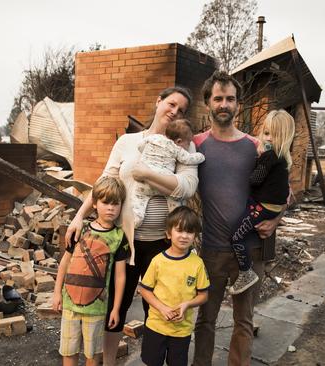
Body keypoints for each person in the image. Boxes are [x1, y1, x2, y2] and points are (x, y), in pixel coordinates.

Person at [65, 86, 199, 365]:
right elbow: (104, 183)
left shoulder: (183, 146)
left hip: (165, 247)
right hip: (124, 243)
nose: (175, 112)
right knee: (117, 306)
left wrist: (147, 174)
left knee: (158, 310)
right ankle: (110, 362)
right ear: (158, 102)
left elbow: (187, 186)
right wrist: (79, 215)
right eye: (171, 104)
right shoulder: (128, 142)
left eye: (182, 110)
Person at [193, 71, 285, 366]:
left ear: (238, 105)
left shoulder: (257, 147)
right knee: (205, 319)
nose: (224, 104)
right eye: (218, 98)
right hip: (212, 251)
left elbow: (284, 190)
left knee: (243, 320)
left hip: (250, 249)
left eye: (230, 99)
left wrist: (276, 221)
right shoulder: (195, 146)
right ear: (207, 104)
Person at [52, 176, 129, 366]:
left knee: (92, 355)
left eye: (115, 203)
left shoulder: (119, 237)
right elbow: (64, 262)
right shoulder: (79, 229)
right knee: (69, 351)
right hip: (70, 305)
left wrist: (116, 309)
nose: (110, 208)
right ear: (94, 203)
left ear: (121, 206)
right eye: (105, 202)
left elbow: (120, 277)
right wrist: (56, 294)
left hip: (97, 308)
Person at [228, 110, 295, 295]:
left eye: (275, 135)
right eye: (266, 133)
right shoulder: (282, 159)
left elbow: (255, 180)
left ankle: (245, 271)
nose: (269, 138)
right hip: (270, 207)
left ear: (284, 137)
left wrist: (250, 169)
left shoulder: (268, 157)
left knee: (236, 236)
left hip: (262, 208)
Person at [139, 206, 209, 366]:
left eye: (189, 232)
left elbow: (203, 295)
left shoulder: (197, 264)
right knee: (152, 362)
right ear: (169, 233)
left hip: (181, 329)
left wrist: (187, 304)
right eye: (179, 230)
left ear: (195, 236)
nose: (184, 236)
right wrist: (162, 308)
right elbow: (144, 289)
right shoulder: (158, 261)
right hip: (156, 326)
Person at [133, 119, 205, 227]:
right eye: (189, 142)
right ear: (179, 141)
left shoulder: (154, 138)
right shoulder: (176, 148)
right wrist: (201, 156)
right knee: (175, 199)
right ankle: (176, 221)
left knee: (138, 197)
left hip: (143, 184)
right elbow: (188, 159)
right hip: (163, 184)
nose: (189, 145)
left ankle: (137, 218)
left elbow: (140, 146)